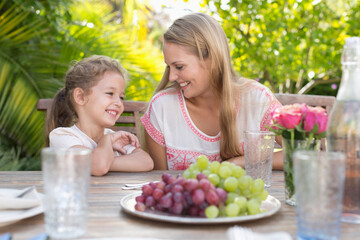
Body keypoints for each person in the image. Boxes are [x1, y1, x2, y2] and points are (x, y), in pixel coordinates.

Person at [141, 12, 283, 171]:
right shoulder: (162, 107)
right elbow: (160, 181)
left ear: (212, 59)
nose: (172, 77)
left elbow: (300, 151)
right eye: (169, 67)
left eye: (179, 67)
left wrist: (240, 162)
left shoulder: (258, 99)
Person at [47, 55, 154, 176]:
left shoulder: (113, 137)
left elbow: (146, 162)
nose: (119, 103)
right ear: (80, 97)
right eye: (110, 93)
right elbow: (99, 166)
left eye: (121, 97)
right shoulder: (62, 137)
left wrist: (106, 160)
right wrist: (106, 143)